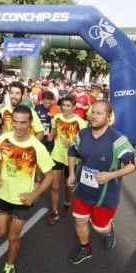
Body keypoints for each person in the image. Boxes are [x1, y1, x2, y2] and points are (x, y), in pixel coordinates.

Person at [67, 100, 136, 264]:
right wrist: (71, 173)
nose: (94, 116)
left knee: (100, 227)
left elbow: (134, 164)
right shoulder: (82, 134)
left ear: (109, 116)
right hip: (82, 190)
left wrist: (111, 175)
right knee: (79, 221)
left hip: (104, 196)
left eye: (99, 113)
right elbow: (72, 151)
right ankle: (85, 249)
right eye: (93, 112)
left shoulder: (118, 139)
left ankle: (109, 231)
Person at [0, 105, 54, 273]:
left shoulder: (37, 147)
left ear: (30, 124)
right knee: (1, 232)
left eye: (23, 122)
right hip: (2, 194)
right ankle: (10, 225)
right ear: (11, 120)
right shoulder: (3, 138)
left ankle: (9, 266)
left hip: (22, 199)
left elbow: (50, 175)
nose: (18, 126)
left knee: (13, 236)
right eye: (15, 121)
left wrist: (35, 193)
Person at [47, 96, 87, 224]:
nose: (65, 108)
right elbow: (53, 131)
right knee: (54, 186)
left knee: (67, 186)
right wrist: (51, 135)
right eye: (63, 105)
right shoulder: (56, 118)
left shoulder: (80, 122)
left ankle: (67, 202)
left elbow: (85, 141)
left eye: (68, 105)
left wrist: (73, 143)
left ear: (74, 107)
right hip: (57, 155)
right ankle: (54, 212)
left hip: (71, 157)